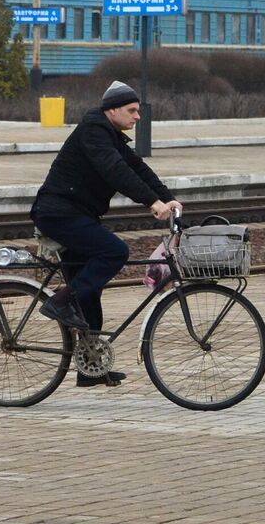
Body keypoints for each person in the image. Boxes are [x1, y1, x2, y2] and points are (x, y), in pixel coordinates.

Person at [31, 80, 182, 387]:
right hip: (59, 214)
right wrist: (152, 203)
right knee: (115, 251)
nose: (137, 116)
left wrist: (167, 198)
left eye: (137, 110)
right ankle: (59, 302)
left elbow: (137, 169)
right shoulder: (94, 131)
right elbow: (115, 170)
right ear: (112, 110)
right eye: (132, 110)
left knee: (90, 294)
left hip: (76, 214)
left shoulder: (110, 134)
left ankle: (90, 370)